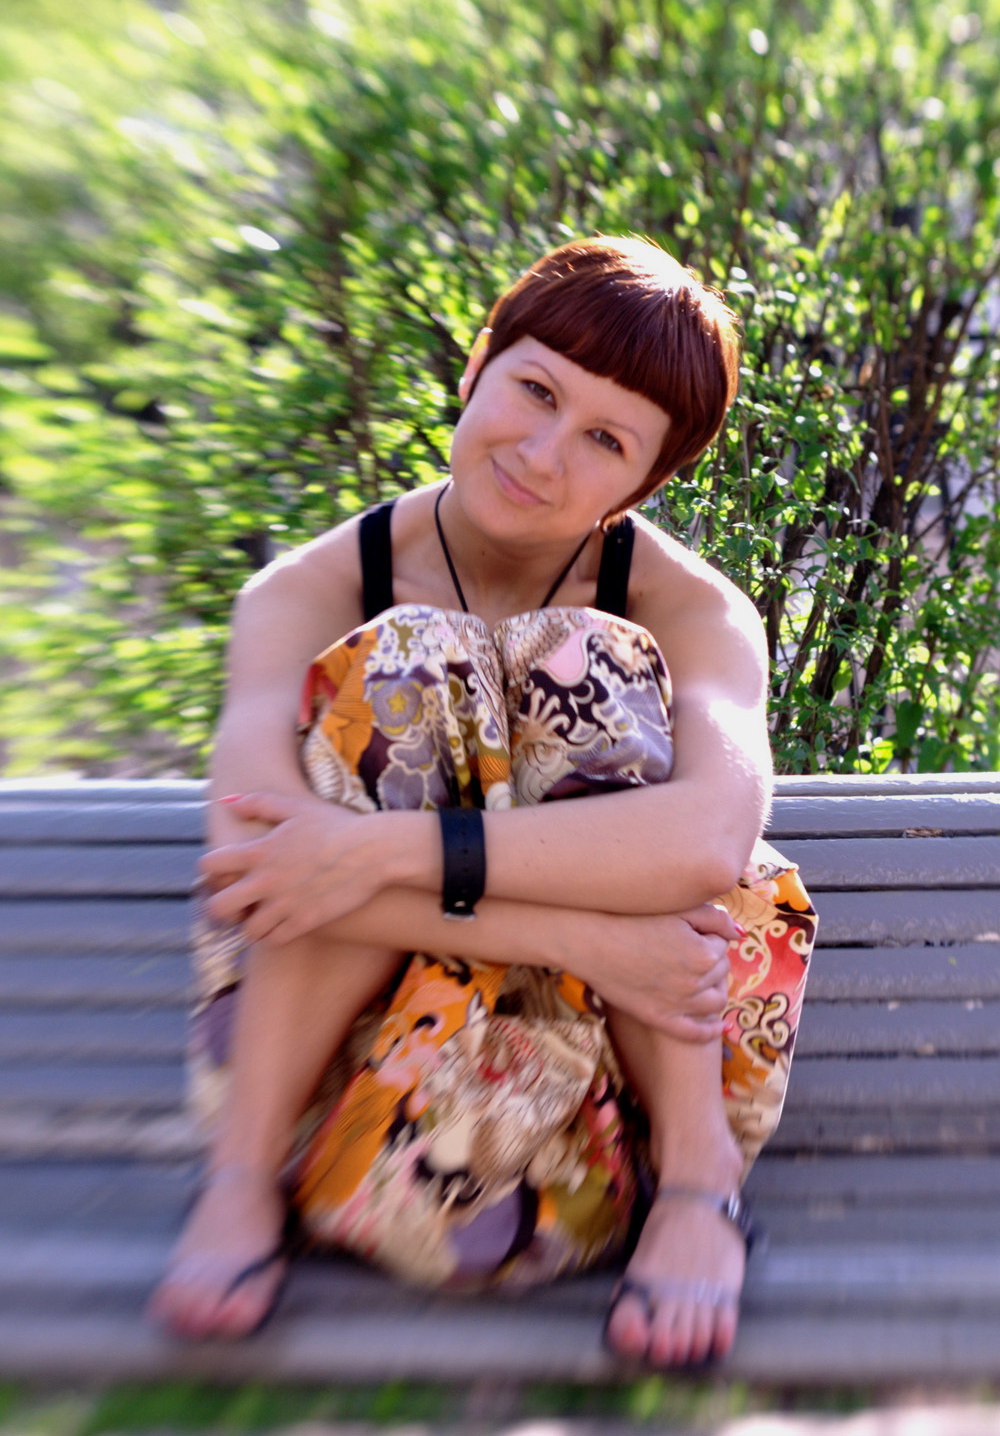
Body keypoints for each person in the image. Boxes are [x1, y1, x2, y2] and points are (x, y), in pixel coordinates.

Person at [148, 235, 817, 1368]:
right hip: (352, 1105)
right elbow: (260, 864)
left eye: (605, 439)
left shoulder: (693, 608)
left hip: (600, 1122)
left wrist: (386, 854)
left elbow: (710, 837)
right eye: (536, 391)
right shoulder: (305, 591)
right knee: (407, 662)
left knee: (587, 661)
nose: (544, 454)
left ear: (643, 485)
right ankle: (241, 1177)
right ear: (475, 366)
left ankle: (698, 1189)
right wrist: (586, 933)